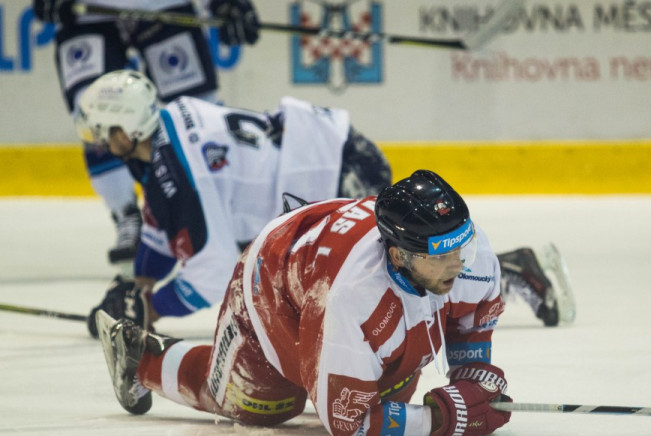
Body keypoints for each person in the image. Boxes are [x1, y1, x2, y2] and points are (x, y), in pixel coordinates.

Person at [76, 70, 575, 338]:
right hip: (328, 158)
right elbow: (163, 228)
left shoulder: (173, 171)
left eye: (102, 131)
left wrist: (151, 308)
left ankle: (511, 272)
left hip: (332, 171)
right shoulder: (163, 135)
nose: (97, 141)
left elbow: (209, 269)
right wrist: (135, 287)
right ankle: (513, 270)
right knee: (388, 279)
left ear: (124, 129)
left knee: (396, 280)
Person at [95, 170, 514, 436]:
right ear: (400, 255)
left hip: (326, 275)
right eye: (439, 256)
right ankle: (142, 360)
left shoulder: (467, 256)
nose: (458, 263)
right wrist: (442, 421)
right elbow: (347, 425)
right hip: (276, 286)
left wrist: (473, 383)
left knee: (391, 385)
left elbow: (469, 328)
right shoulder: (354, 296)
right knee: (260, 406)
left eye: (463, 246)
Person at [33, 0, 261, 268]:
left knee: (200, 108)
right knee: (94, 110)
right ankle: (126, 214)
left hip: (164, 5)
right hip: (87, 11)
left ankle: (230, 205)